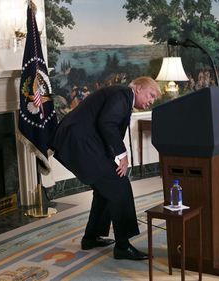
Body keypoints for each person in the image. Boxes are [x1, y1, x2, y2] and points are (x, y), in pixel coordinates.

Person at [49, 76, 161, 260]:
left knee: (105, 189)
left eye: (154, 99)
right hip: (79, 142)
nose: (151, 101)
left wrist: (115, 155)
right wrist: (122, 155)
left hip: (79, 141)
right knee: (119, 185)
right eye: (151, 95)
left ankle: (91, 237)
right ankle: (123, 246)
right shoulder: (124, 94)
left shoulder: (121, 96)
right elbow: (107, 123)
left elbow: (107, 127)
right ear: (139, 88)